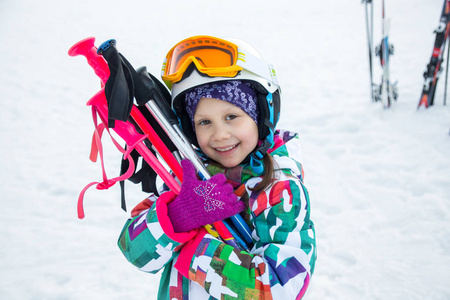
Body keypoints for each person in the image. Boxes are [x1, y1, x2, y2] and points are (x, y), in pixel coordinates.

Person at [118, 35, 316, 299]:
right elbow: (135, 252)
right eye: (204, 122)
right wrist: (176, 216)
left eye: (231, 117)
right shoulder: (186, 181)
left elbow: (280, 289)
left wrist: (197, 250)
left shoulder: (280, 192)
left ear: (261, 115)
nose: (220, 135)